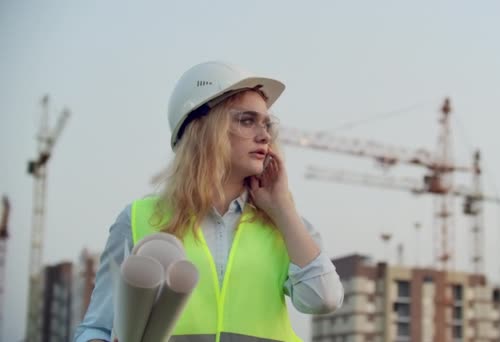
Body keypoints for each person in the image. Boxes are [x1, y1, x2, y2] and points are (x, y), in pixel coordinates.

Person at [74, 61, 344, 342]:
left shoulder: (284, 224)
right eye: (247, 120)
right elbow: (96, 328)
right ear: (202, 128)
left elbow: (323, 300)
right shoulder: (137, 219)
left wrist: (284, 207)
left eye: (266, 124)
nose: (264, 135)